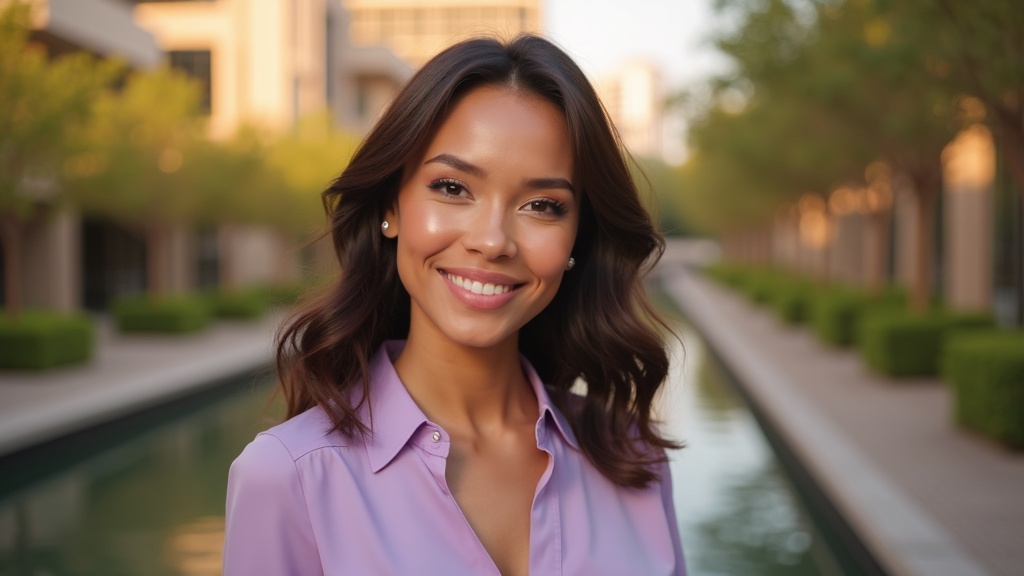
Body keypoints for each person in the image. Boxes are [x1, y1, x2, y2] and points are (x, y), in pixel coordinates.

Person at [223, 34, 685, 576]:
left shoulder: (632, 456)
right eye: (452, 187)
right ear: (391, 207)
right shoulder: (288, 476)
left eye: (542, 205)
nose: (492, 241)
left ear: (576, 240)